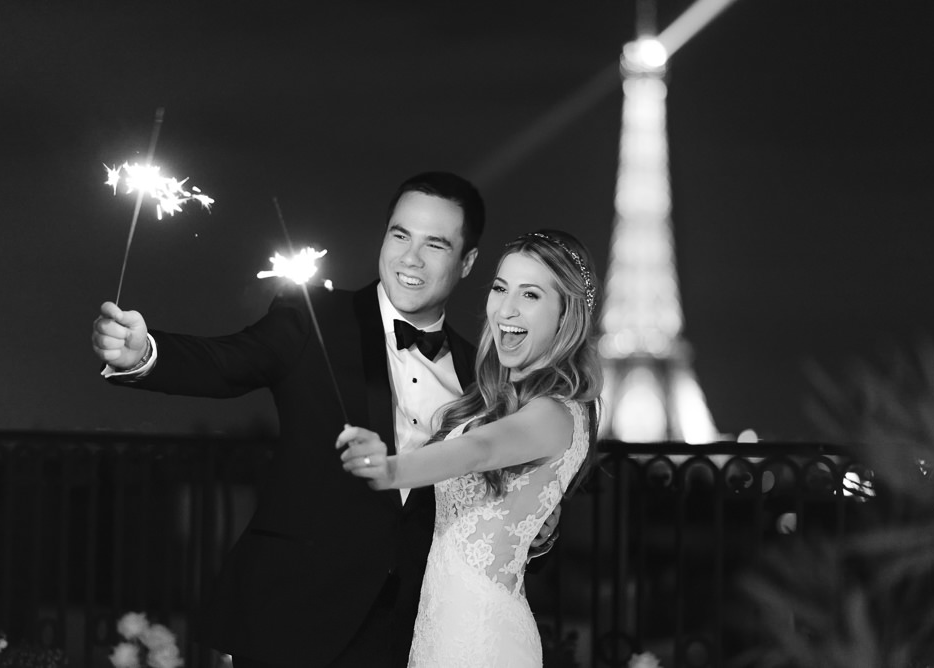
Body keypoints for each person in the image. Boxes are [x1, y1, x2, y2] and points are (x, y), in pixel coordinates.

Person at [90, 172, 557, 668]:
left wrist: (538, 530)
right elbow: (225, 364)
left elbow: (495, 494)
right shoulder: (312, 316)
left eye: (435, 244)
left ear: (467, 262)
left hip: (410, 630)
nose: (410, 258)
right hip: (292, 613)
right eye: (400, 235)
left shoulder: (483, 375)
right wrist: (144, 353)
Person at [337, 229, 602, 667]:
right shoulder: (487, 399)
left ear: (565, 317)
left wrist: (390, 470)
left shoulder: (554, 413)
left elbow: (479, 450)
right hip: (437, 625)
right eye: (500, 288)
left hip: (483, 638)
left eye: (531, 295)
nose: (506, 308)